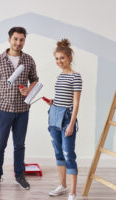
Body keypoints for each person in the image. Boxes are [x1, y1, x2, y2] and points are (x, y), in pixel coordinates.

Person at [0, 27, 39, 191]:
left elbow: (35, 80)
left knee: (19, 145)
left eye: (21, 40)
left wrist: (29, 90)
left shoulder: (28, 60)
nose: (18, 43)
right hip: (4, 110)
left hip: (23, 110)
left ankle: (20, 176)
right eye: (15, 39)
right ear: (9, 39)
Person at [44, 39, 82, 200]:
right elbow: (62, 97)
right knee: (58, 153)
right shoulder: (60, 76)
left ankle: (72, 192)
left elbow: (76, 102)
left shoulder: (76, 77)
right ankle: (63, 186)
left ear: (69, 58)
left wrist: (71, 124)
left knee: (68, 154)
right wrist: (54, 101)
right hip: (54, 115)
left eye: (62, 58)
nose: (59, 61)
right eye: (57, 58)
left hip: (67, 118)